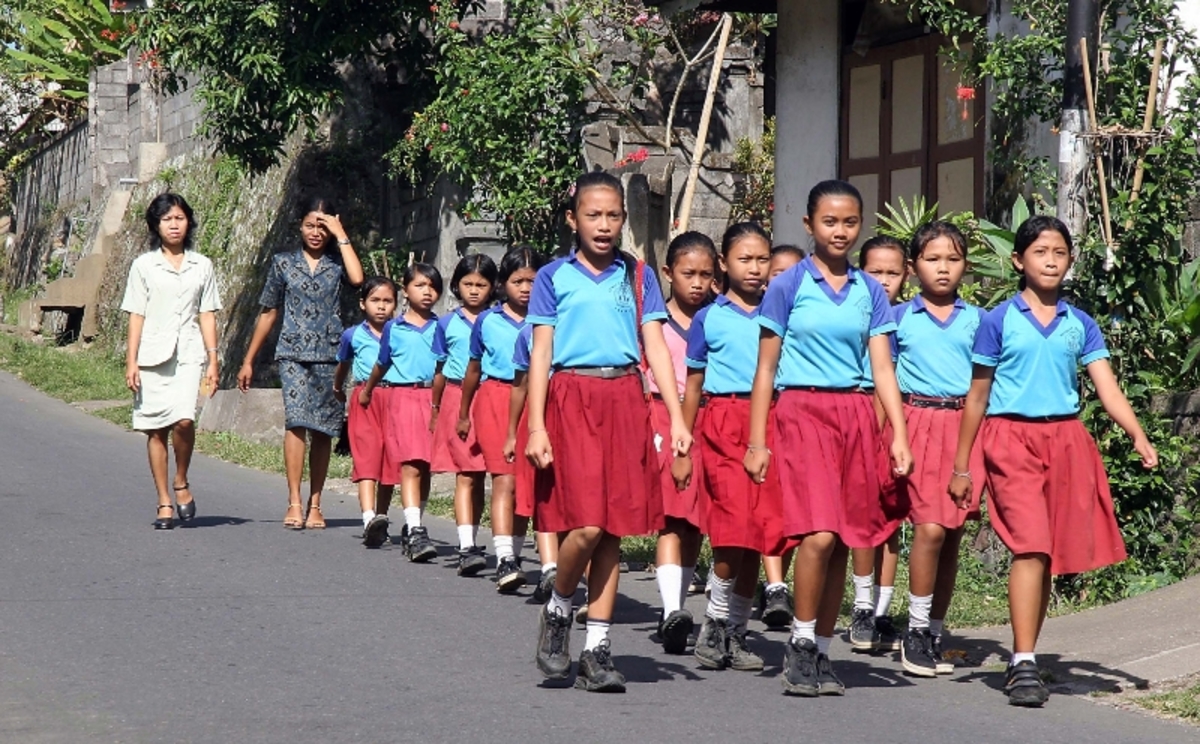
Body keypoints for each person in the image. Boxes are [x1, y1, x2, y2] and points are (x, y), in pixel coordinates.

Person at [948, 215, 1158, 707]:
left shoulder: (1080, 324)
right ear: (1019, 261)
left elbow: (1107, 388)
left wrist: (1138, 435)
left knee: (1044, 557)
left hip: (1064, 440)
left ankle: (1027, 655)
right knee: (1031, 546)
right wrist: (963, 467)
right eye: (1040, 251)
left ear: (1069, 262)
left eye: (1059, 252)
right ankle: (1022, 665)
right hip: (1009, 440)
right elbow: (976, 398)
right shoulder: (997, 321)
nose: (1050, 260)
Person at [745, 179, 913, 697]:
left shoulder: (869, 291)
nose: (840, 232)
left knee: (845, 537)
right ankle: (797, 643)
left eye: (850, 222)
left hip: (856, 416)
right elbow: (766, 367)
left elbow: (883, 368)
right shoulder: (788, 284)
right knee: (816, 534)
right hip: (802, 413)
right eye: (830, 222)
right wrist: (757, 439)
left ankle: (821, 649)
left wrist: (898, 434)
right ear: (809, 225)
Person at [528, 171, 691, 693]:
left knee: (612, 532)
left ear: (625, 219)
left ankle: (597, 648)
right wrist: (535, 425)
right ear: (573, 220)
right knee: (585, 526)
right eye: (592, 215)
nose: (603, 225)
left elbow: (657, 348)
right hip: (571, 399)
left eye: (613, 215)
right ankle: (559, 605)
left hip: (624, 398)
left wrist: (679, 416)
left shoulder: (637, 274)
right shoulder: (554, 276)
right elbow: (541, 353)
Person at [878, 222, 984, 676]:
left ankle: (934, 633)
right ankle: (915, 631)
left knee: (953, 534)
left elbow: (986, 386)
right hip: (914, 423)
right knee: (930, 529)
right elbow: (884, 381)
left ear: (966, 266)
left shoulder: (981, 321)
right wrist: (877, 440)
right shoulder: (898, 319)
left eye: (953, 259)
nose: (943, 268)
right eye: (932, 259)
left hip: (963, 430)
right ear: (913, 266)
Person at [678, 222, 778, 672]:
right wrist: (684, 441)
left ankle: (737, 631)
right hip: (722, 426)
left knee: (761, 532)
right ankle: (714, 622)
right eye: (744, 259)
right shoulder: (709, 317)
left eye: (762, 259)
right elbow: (694, 382)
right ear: (724, 263)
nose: (755, 269)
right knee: (732, 527)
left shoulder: (782, 311)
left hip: (773, 425)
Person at [237, 196, 364, 530]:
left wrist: (341, 234)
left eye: (323, 226)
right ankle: (294, 501)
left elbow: (357, 279)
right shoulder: (282, 263)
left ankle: (316, 503)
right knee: (295, 423)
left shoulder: (338, 263)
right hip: (292, 353)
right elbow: (269, 311)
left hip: (330, 354)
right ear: (299, 226)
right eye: (310, 225)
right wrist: (248, 360)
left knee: (323, 430)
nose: (316, 232)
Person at [121, 193, 221, 530]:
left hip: (189, 354)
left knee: (183, 421)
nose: (174, 224)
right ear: (156, 225)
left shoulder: (202, 265)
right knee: (155, 429)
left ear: (188, 222)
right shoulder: (143, 266)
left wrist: (213, 359)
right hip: (151, 355)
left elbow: (207, 314)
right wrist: (131, 361)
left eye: (179, 218)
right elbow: (136, 314)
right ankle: (164, 498)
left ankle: (181, 479)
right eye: (167, 219)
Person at [459, 246, 546, 591]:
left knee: (530, 483)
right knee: (505, 479)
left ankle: (518, 553)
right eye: (517, 280)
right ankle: (504, 556)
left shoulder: (549, 321)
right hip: (495, 399)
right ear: (502, 284)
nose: (525, 288)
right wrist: (463, 412)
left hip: (538, 401)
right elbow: (474, 368)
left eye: (533, 281)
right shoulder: (487, 320)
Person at [649, 231, 717, 654]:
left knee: (698, 518)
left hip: (713, 418)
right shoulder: (654, 325)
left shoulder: (722, 317)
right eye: (688, 273)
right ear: (668, 273)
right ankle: (672, 608)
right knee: (673, 513)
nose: (697, 283)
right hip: (663, 417)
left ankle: (680, 605)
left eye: (706, 274)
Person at [849, 234, 910, 652]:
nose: (885, 281)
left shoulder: (910, 317)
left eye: (893, 272)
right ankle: (860, 605)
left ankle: (883, 611)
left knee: (891, 520)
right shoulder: (855, 312)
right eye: (876, 272)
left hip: (902, 426)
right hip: (861, 421)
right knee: (862, 520)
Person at [360, 263, 443, 562]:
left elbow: (444, 367)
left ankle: (413, 523)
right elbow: (382, 363)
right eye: (420, 285)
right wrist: (369, 389)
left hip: (432, 398)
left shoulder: (441, 326)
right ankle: (417, 529)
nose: (427, 292)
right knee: (409, 464)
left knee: (426, 465)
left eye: (433, 286)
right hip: (402, 396)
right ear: (405, 290)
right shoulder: (394, 327)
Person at [431, 255, 494, 576]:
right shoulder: (446, 324)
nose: (474, 291)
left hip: (493, 398)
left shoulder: (496, 320)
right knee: (466, 474)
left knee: (483, 473)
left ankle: (474, 539)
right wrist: (436, 408)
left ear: (492, 287)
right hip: (458, 399)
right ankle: (466, 545)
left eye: (481, 285)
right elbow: (440, 370)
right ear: (456, 285)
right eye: (468, 284)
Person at [758, 243, 806, 626]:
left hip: (799, 420)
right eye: (777, 273)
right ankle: (775, 586)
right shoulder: (761, 318)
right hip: (763, 416)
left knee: (794, 513)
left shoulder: (811, 318)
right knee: (770, 507)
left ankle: (776, 582)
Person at [333, 276, 400, 548]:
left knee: (389, 463)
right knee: (367, 459)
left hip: (396, 398)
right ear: (363, 304)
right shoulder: (353, 335)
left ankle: (381, 518)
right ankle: (368, 517)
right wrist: (338, 387)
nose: (381, 307)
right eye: (375, 300)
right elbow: (343, 363)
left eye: (387, 301)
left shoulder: (401, 331)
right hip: (365, 399)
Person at [505, 323, 562, 602]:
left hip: (576, 412)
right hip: (539, 417)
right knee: (542, 491)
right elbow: (520, 385)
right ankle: (550, 568)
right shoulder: (529, 333)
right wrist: (512, 433)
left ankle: (571, 571)